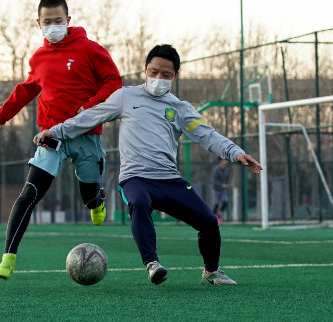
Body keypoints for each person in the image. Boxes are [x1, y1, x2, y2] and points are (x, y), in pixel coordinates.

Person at [36, 44, 263, 286]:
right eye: (153, 72)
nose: (158, 78)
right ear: (145, 69)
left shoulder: (180, 108)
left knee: (208, 222)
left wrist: (236, 153)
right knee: (139, 201)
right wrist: (56, 132)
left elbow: (207, 135)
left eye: (165, 75)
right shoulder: (125, 97)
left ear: (175, 76)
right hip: (135, 178)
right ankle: (152, 263)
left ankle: (212, 272)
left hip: (169, 180)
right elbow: (90, 117)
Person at [0, 0, 123, 280]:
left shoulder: (89, 49)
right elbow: (25, 90)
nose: (53, 26)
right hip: (50, 136)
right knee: (29, 194)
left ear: (68, 20)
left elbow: (114, 81)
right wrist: (0, 118)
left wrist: (89, 106)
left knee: (88, 197)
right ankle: (8, 259)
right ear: (39, 23)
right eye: (47, 22)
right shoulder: (38, 58)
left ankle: (97, 200)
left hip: (86, 135)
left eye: (58, 21)